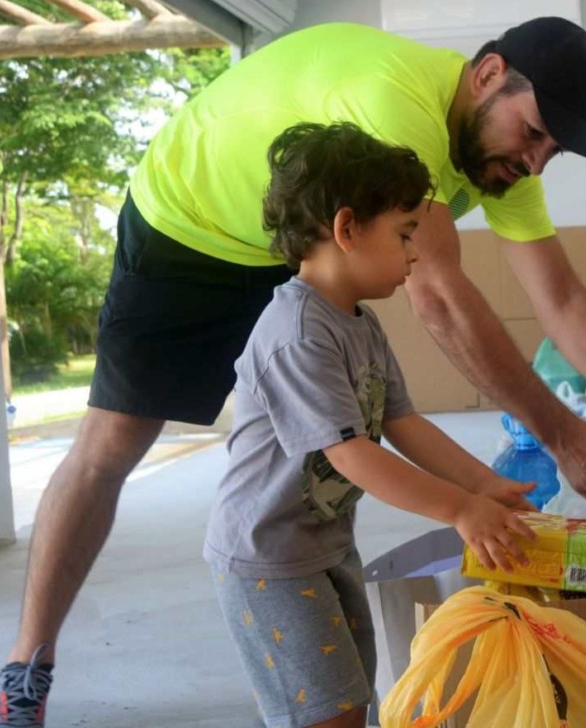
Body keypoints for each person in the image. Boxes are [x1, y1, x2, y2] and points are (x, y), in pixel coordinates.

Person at [0, 16, 586, 727]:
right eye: (534, 133)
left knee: (309, 426)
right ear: (489, 75)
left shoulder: (498, 159)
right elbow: (441, 299)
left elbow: (559, 297)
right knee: (111, 447)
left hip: (291, 242)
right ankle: (24, 668)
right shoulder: (400, 108)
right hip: (191, 224)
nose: (537, 162)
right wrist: (559, 439)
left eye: (555, 150)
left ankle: (285, 589)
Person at [207, 121, 538, 728]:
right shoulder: (298, 335)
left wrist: (483, 486)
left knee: (349, 702)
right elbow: (353, 455)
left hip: (325, 543)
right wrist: (460, 511)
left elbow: (404, 422)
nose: (416, 252)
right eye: (406, 233)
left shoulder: (357, 322)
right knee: (324, 714)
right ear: (347, 228)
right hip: (269, 558)